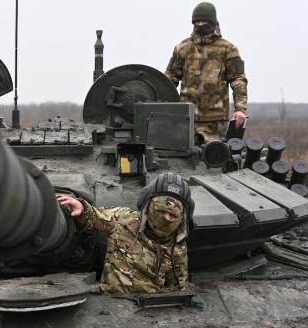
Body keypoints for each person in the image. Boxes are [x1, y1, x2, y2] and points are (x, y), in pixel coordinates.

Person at [58, 173, 194, 294]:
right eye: (161, 211)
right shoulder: (124, 219)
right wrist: (82, 208)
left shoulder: (177, 245)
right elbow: (96, 217)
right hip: (113, 300)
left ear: (182, 218)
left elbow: (175, 288)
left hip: (148, 306)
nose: (166, 219)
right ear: (148, 205)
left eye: (172, 215)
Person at [165, 2, 248, 144]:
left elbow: (238, 80)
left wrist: (240, 109)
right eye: (197, 21)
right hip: (185, 118)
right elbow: (169, 80)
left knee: (214, 161)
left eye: (204, 21)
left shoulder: (228, 49)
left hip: (215, 122)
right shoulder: (183, 48)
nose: (200, 24)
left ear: (212, 22)